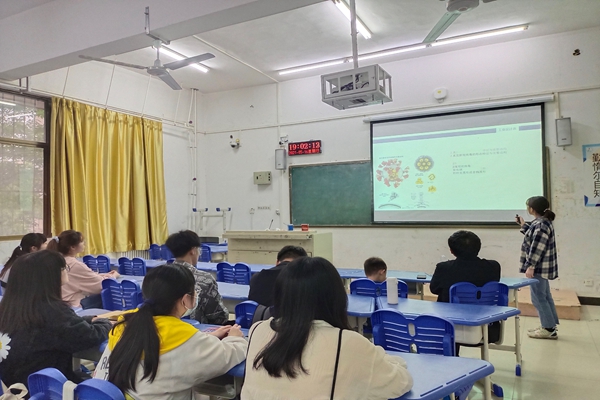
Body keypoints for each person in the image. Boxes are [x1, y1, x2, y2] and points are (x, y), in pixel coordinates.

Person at [241, 256, 413, 400]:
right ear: (335, 297)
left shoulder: (258, 330)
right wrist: (382, 357)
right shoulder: (347, 343)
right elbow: (402, 381)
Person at [94, 264, 247, 400]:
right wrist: (235, 338)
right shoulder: (182, 338)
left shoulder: (125, 324)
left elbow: (160, 342)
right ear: (186, 299)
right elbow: (230, 355)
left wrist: (205, 338)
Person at [0, 250, 111, 387]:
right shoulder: (50, 311)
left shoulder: (10, 307)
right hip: (48, 389)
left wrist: (88, 320)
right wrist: (105, 322)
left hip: (14, 386)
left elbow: (62, 326)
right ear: (50, 276)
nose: (66, 270)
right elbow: (91, 336)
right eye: (64, 268)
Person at [516, 196, 559, 340]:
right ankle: (549, 325)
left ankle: (548, 328)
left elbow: (537, 248)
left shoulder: (541, 225)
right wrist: (523, 225)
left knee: (539, 298)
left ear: (532, 209)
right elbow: (533, 237)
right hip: (542, 267)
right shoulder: (542, 222)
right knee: (545, 296)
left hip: (539, 267)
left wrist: (531, 266)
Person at [166, 230, 229, 324]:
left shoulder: (159, 275)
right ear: (193, 250)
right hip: (195, 329)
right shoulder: (205, 279)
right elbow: (218, 316)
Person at [46, 230, 120, 308]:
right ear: (72, 247)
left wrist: (104, 275)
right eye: (81, 241)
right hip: (72, 304)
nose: (84, 243)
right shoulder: (75, 265)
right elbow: (100, 286)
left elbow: (84, 277)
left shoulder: (55, 260)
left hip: (57, 302)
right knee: (105, 295)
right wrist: (113, 276)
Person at [430, 231, 501, 303]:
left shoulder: (443, 268)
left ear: (451, 251)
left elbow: (434, 290)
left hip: (450, 309)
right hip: (485, 309)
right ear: (478, 247)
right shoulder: (494, 266)